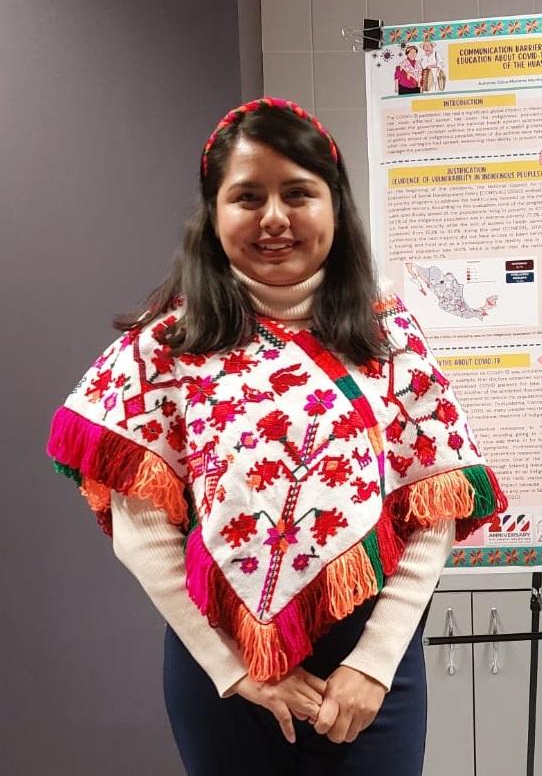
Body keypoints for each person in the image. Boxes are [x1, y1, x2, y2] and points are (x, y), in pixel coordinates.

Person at [46, 98, 506, 775]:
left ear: (333, 205)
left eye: (297, 193)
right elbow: (142, 531)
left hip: (368, 667)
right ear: (213, 213)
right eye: (247, 196)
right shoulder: (164, 349)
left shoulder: (388, 337)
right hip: (223, 675)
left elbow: (429, 514)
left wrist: (372, 667)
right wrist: (240, 672)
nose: (273, 218)